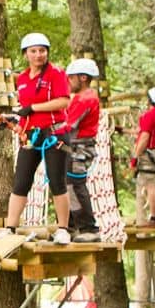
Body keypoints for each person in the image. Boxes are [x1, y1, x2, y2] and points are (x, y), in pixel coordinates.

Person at [0, 33, 73, 245]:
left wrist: (33, 107)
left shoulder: (56, 73)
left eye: (42, 50)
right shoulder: (22, 79)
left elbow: (63, 102)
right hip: (32, 135)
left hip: (54, 133)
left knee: (57, 181)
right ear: (26, 54)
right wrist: (18, 126)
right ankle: (10, 227)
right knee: (21, 180)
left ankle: (62, 229)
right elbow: (25, 112)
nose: (38, 55)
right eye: (33, 51)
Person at [54, 58, 101, 242]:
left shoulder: (84, 99)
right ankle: (70, 226)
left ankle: (89, 228)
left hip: (79, 147)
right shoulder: (84, 97)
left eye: (70, 78)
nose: (68, 82)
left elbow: (68, 125)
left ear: (82, 77)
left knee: (74, 185)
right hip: (75, 146)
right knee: (67, 185)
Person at [131, 86, 155, 226]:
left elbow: (144, 137)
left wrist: (136, 156)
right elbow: (143, 131)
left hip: (148, 153)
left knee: (150, 185)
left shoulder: (148, 115)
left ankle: (153, 216)